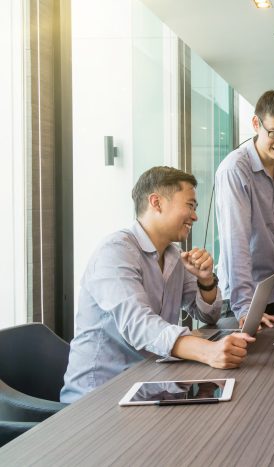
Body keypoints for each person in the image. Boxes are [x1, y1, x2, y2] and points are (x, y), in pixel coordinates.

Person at [61, 167, 254, 403]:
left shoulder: (173, 255)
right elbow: (140, 325)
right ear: (156, 202)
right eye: (190, 205)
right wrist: (207, 351)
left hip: (152, 381)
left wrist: (206, 280)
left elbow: (209, 315)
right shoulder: (115, 251)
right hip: (99, 396)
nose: (195, 216)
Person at [215, 89, 274, 329]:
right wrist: (245, 307)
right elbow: (236, 242)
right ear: (256, 123)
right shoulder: (235, 169)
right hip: (245, 298)